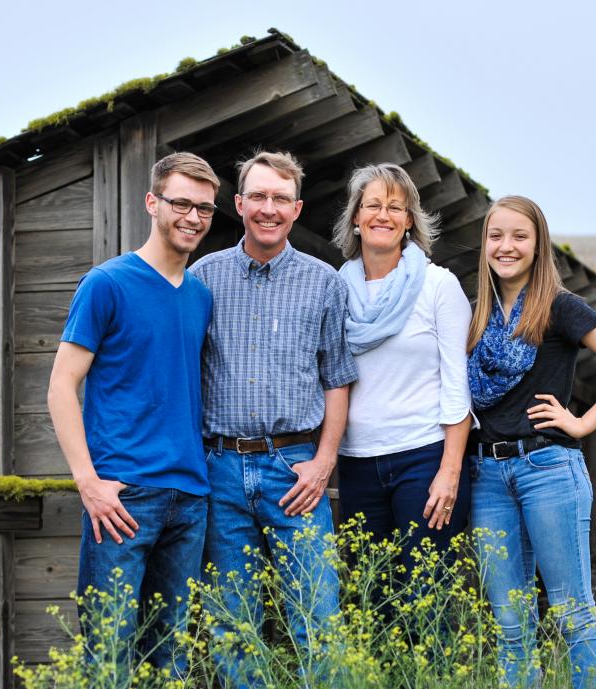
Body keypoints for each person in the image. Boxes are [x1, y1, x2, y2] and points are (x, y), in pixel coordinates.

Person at [466, 195, 596, 688]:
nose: (506, 246)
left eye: (519, 236)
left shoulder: (560, 307)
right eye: (496, 236)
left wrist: (582, 422)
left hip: (548, 471)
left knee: (573, 614)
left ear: (538, 244)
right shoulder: (475, 315)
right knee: (510, 626)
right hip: (486, 476)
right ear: (484, 244)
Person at [45, 152, 219, 680]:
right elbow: (60, 384)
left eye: (205, 209)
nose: (192, 218)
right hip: (122, 498)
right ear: (152, 203)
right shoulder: (107, 283)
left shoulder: (200, 296)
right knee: (110, 659)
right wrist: (88, 483)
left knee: (170, 661)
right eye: (181, 204)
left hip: (190, 497)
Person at [190, 150, 357, 689]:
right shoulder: (201, 279)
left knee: (317, 616)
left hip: (295, 468)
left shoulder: (325, 282)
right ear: (237, 205)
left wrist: (323, 463)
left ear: (297, 208)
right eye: (257, 196)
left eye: (280, 198)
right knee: (232, 625)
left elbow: (337, 378)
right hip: (219, 467)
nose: (268, 208)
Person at [331, 163, 472, 576]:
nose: (383, 215)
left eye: (396, 207)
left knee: (425, 595)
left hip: (424, 457)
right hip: (357, 461)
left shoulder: (438, 286)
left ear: (409, 220)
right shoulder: (335, 290)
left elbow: (456, 385)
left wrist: (450, 472)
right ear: (356, 217)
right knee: (372, 596)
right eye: (372, 205)